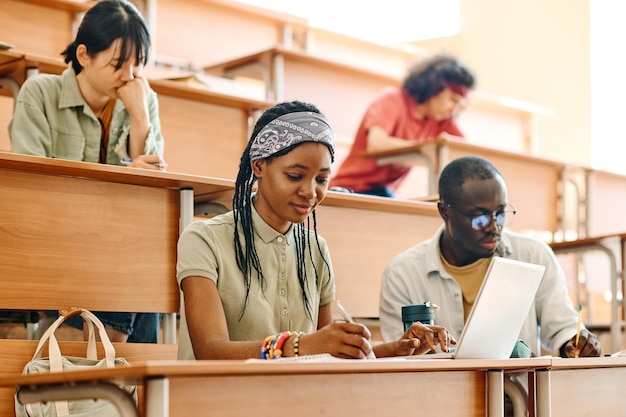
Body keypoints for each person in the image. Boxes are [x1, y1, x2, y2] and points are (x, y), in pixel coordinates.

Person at [176, 100, 455, 360]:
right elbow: (210, 350)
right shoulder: (204, 239)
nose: (310, 192)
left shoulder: (315, 248)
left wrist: (399, 348)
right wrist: (300, 345)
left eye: (322, 179)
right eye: (295, 176)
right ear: (258, 166)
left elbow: (331, 354)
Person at [8, 0, 167, 343]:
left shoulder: (142, 98)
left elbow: (155, 183)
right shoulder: (41, 94)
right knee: (132, 264)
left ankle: (105, 365)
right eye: (118, 64)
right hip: (56, 238)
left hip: (117, 242)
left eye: (138, 64)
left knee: (144, 256)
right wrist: (121, 181)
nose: (130, 75)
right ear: (83, 55)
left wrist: (139, 118)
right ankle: (115, 372)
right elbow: (30, 184)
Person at [379, 155, 602, 358]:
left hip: (522, 396)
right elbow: (396, 359)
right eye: (479, 218)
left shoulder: (534, 255)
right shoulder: (402, 274)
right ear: (444, 211)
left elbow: (562, 326)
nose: (494, 227)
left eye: (501, 214)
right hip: (441, 397)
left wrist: (574, 341)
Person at [329, 54, 475, 198]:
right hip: (349, 189)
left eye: (460, 106)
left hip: (383, 194)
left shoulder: (441, 119)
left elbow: (467, 154)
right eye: (452, 100)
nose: (453, 110)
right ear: (434, 86)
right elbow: (376, 143)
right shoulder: (392, 99)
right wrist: (426, 150)